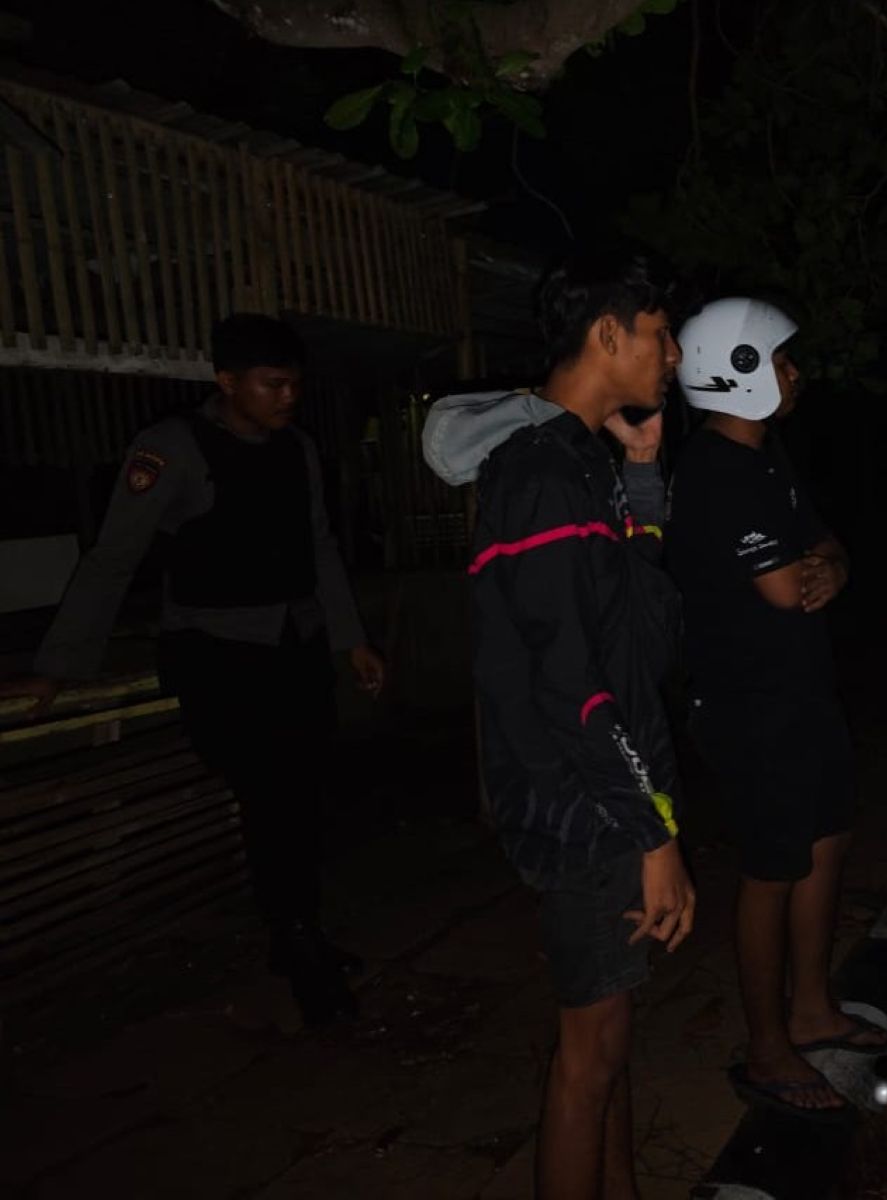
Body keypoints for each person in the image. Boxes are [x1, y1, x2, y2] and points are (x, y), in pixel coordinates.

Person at [0, 314, 384, 1026]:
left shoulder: (296, 450)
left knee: (301, 796)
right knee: (272, 799)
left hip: (294, 647)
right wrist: (57, 665)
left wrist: (350, 639)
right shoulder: (172, 448)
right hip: (220, 655)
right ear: (227, 382)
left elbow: (320, 546)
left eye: (294, 385)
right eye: (272, 384)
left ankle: (294, 932)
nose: (288, 397)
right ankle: (298, 943)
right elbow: (112, 556)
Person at [425, 253, 697, 1200]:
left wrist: (643, 472)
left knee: (611, 1038)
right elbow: (568, 681)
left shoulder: (582, 460)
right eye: (660, 334)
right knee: (589, 1054)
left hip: (608, 789)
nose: (672, 354)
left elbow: (636, 628)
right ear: (608, 335)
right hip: (586, 803)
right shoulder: (540, 473)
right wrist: (650, 831)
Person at [665, 296, 884, 1121]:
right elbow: (786, 586)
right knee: (772, 869)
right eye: (780, 359)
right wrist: (817, 570)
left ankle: (812, 1010)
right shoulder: (715, 469)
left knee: (827, 842)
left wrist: (833, 567)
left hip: (799, 689)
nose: (795, 373)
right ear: (740, 371)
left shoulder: (765, 457)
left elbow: (828, 551)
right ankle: (765, 1049)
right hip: (747, 704)